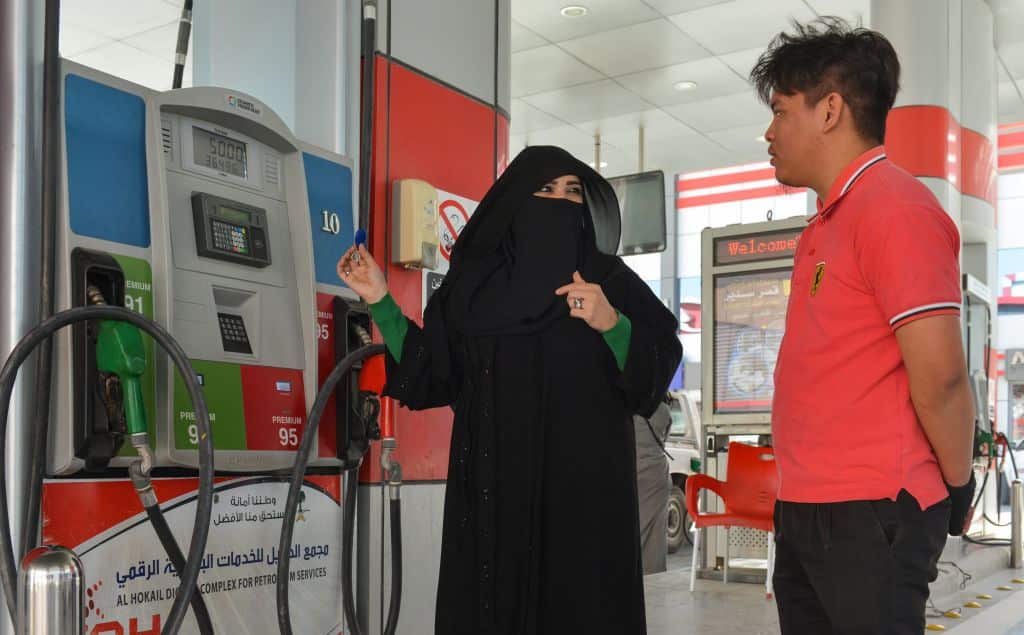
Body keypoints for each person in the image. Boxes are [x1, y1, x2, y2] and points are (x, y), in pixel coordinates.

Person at [336, 146, 681, 634]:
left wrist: (613, 324)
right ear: (516, 202)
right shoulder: (473, 290)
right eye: (545, 191)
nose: (560, 203)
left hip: (583, 508)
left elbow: (659, 362)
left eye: (573, 192)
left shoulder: (608, 281)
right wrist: (379, 299)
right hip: (494, 503)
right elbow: (431, 371)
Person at [752, 17, 977, 634]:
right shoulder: (826, 225)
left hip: (871, 513)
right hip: (808, 507)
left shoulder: (896, 210)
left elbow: (943, 381)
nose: (769, 132)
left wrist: (958, 487)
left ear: (829, 111)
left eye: (780, 111)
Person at [634, 397, 672, 575]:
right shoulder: (663, 409)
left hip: (633, 471)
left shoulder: (627, 408)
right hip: (657, 475)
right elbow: (664, 437)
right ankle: (654, 575)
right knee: (656, 533)